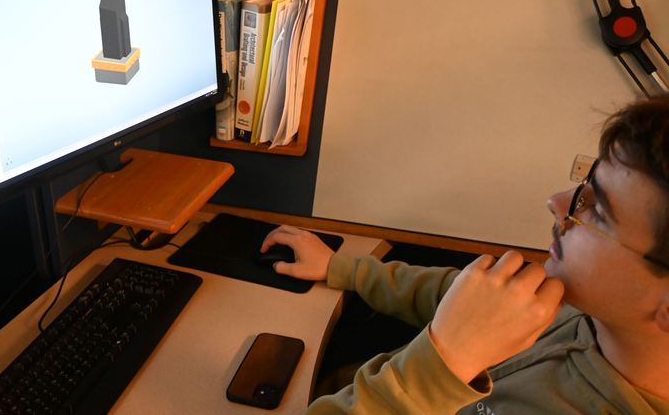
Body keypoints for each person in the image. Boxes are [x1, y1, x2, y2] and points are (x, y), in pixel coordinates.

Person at [261, 95, 669, 413]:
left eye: (597, 210)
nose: (556, 202)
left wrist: (445, 364)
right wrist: (345, 268)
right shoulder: (581, 307)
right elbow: (462, 297)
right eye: (584, 186)